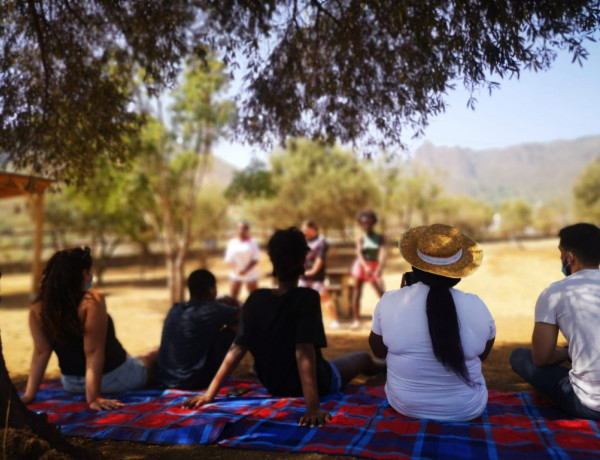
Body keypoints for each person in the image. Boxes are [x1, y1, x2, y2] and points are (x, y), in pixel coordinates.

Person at [183, 227, 385, 427]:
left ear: (273, 262)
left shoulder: (255, 300)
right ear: (302, 261)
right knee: (364, 358)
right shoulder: (306, 298)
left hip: (274, 386)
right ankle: (387, 365)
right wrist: (312, 407)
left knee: (342, 361)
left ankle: (385, 364)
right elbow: (303, 350)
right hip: (319, 382)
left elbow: (237, 349)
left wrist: (210, 394)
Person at [369, 224, 495, 421]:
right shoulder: (476, 305)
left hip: (405, 405)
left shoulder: (391, 301)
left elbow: (378, 351)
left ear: (414, 267)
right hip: (466, 409)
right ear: (457, 274)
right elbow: (484, 355)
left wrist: (402, 293)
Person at [20, 247, 157, 411]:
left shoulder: (37, 308)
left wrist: (29, 395)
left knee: (135, 357)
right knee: (154, 355)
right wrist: (93, 398)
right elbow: (92, 352)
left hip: (70, 383)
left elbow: (41, 352)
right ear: (84, 274)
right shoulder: (91, 300)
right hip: (112, 378)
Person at [510, 223, 600, 421]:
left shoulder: (554, 293)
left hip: (591, 405)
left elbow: (541, 358)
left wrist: (569, 351)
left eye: (560, 253)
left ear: (569, 257)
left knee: (519, 356)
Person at [155, 269, 242, 389]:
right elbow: (246, 315)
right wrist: (236, 303)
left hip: (166, 379)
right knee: (233, 329)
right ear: (212, 290)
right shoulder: (212, 310)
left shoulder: (175, 308)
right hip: (191, 381)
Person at [299, 220, 340, 329]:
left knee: (324, 297)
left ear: (313, 229)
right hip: (302, 276)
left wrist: (313, 271)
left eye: (305, 229)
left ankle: (334, 321)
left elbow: (319, 259)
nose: (303, 232)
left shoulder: (321, 241)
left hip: (317, 277)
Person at [350, 209, 386, 329]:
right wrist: (365, 266)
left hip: (374, 266)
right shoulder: (361, 237)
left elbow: (382, 252)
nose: (366, 225)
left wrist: (379, 267)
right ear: (360, 223)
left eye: (368, 222)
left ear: (373, 222)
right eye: (363, 222)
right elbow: (359, 253)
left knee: (381, 292)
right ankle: (356, 320)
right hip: (361, 265)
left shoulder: (380, 237)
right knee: (356, 292)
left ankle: (386, 318)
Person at [224, 221, 260, 300]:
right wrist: (237, 270)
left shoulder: (253, 243)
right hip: (236, 274)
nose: (241, 230)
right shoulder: (232, 243)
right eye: (239, 228)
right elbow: (228, 259)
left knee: (255, 298)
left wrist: (246, 270)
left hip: (251, 274)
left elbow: (255, 259)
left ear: (247, 230)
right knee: (233, 298)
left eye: (243, 228)